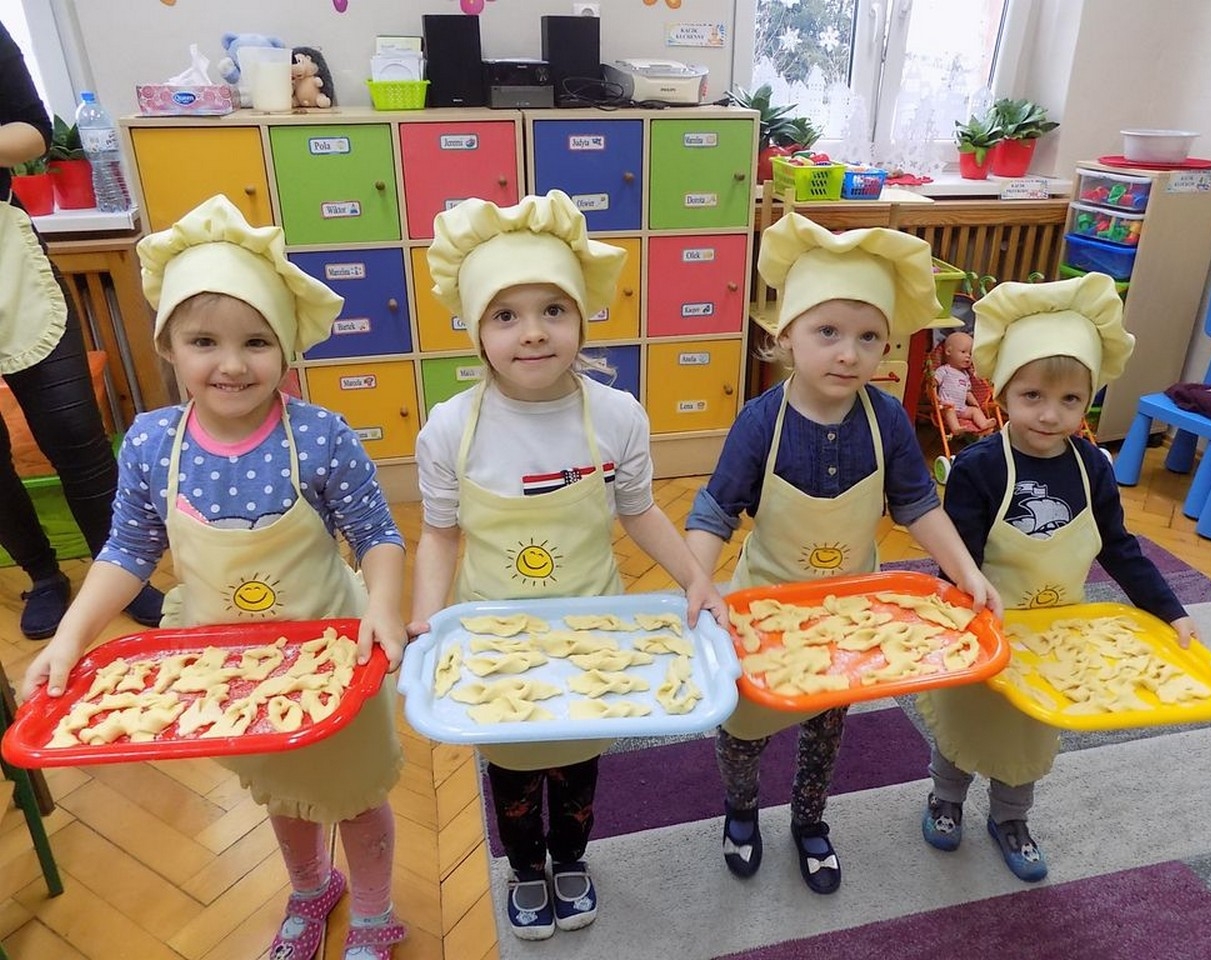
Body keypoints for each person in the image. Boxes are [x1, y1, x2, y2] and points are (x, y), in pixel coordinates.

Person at [22, 195, 409, 960]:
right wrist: (69, 639)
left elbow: (377, 535)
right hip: (227, 669)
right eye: (204, 341)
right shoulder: (151, 444)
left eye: (256, 342)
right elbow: (126, 553)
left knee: (354, 793)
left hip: (333, 655)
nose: (232, 364)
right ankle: (310, 889)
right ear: (167, 345)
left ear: (287, 348)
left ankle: (374, 914)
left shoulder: (321, 437)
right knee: (280, 790)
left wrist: (387, 609)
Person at [409, 190, 727, 941]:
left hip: (595, 628)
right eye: (504, 315)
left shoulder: (617, 416)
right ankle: (525, 869)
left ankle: (573, 857)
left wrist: (697, 578)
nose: (532, 332)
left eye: (553, 309)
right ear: (475, 329)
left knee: (580, 762)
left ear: (583, 318)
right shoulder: (450, 429)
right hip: (496, 632)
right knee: (513, 770)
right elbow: (440, 535)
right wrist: (425, 619)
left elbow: (640, 511)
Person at [684, 214, 1002, 895]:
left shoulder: (885, 420)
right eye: (827, 332)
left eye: (867, 337)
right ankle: (742, 810)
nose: (848, 354)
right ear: (785, 335)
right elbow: (714, 510)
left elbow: (917, 504)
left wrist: (965, 571)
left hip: (852, 613)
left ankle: (809, 819)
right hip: (764, 611)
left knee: (827, 727)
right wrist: (697, 580)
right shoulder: (760, 422)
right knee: (744, 728)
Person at [916, 272, 1197, 883]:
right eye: (1033, 395)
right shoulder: (979, 468)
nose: (1050, 414)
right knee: (967, 721)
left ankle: (1011, 818)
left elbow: (1120, 548)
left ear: (1089, 399)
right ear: (1002, 391)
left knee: (1030, 733)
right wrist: (963, 618)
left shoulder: (1093, 467)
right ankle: (946, 797)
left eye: (1071, 400)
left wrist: (1169, 609)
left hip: (1057, 635)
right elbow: (956, 560)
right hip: (984, 625)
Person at [0, 20, 162, 638]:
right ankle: (44, 575)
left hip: (9, 260)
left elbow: (30, 131)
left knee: (73, 430)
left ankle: (122, 569)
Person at [934, 330, 996, 435]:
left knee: (974, 411)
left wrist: (974, 403)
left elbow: (967, 392)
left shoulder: (965, 375)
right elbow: (933, 383)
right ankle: (956, 428)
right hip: (947, 406)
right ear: (948, 351)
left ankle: (984, 424)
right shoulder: (944, 370)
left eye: (970, 354)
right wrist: (935, 397)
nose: (968, 356)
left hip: (962, 408)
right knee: (950, 409)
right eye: (963, 352)